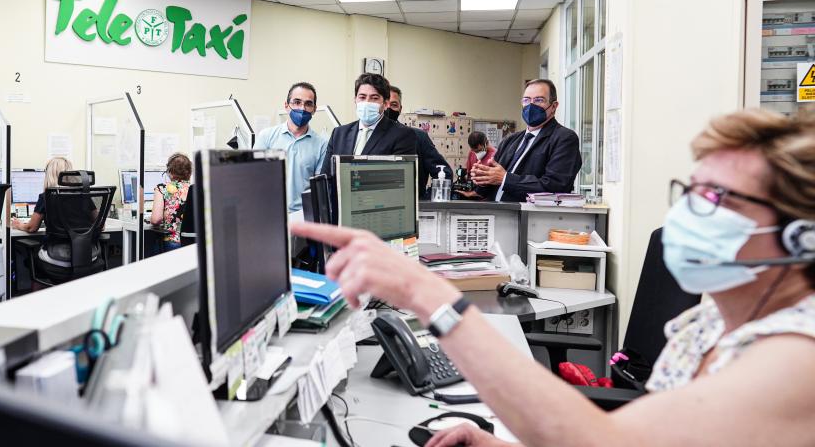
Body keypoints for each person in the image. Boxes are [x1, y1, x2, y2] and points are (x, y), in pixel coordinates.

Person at [293, 108, 815, 446]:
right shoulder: (708, 325)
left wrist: (426, 293)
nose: (688, 213)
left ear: (801, 239)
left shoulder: (796, 358)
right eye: (692, 190)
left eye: (718, 199)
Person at [471, 79, 582, 202]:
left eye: (539, 100)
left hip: (529, 218)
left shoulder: (564, 138)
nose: (531, 105)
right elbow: (491, 185)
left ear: (553, 106)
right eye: (527, 100)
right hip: (496, 213)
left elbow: (556, 185)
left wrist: (506, 179)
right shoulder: (511, 140)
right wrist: (483, 178)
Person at [322, 73, 416, 177]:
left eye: (374, 98)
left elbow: (398, 179)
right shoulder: (339, 133)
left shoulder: (402, 135)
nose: (367, 102)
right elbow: (326, 176)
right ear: (355, 100)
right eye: (362, 97)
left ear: (385, 104)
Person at [254, 82, 328, 212]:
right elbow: (253, 177)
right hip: (270, 212)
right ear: (287, 106)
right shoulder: (266, 136)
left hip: (303, 216)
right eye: (297, 102)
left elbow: (318, 189)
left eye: (308, 104)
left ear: (314, 109)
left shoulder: (321, 144)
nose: (302, 108)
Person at [385, 85, 452, 198]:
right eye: (386, 104)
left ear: (401, 109)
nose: (389, 108)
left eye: (394, 105)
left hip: (413, 207)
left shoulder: (418, 137)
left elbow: (444, 172)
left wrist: (427, 202)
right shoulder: (368, 137)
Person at [10, 157, 73, 233]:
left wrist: (19, 225)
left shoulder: (47, 197)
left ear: (49, 174)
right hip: (84, 243)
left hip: (57, 243)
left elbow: (31, 228)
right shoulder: (84, 195)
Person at [150, 153, 192, 252]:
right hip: (193, 242)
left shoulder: (162, 188)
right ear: (189, 172)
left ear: (170, 172)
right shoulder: (195, 188)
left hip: (172, 241)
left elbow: (156, 220)